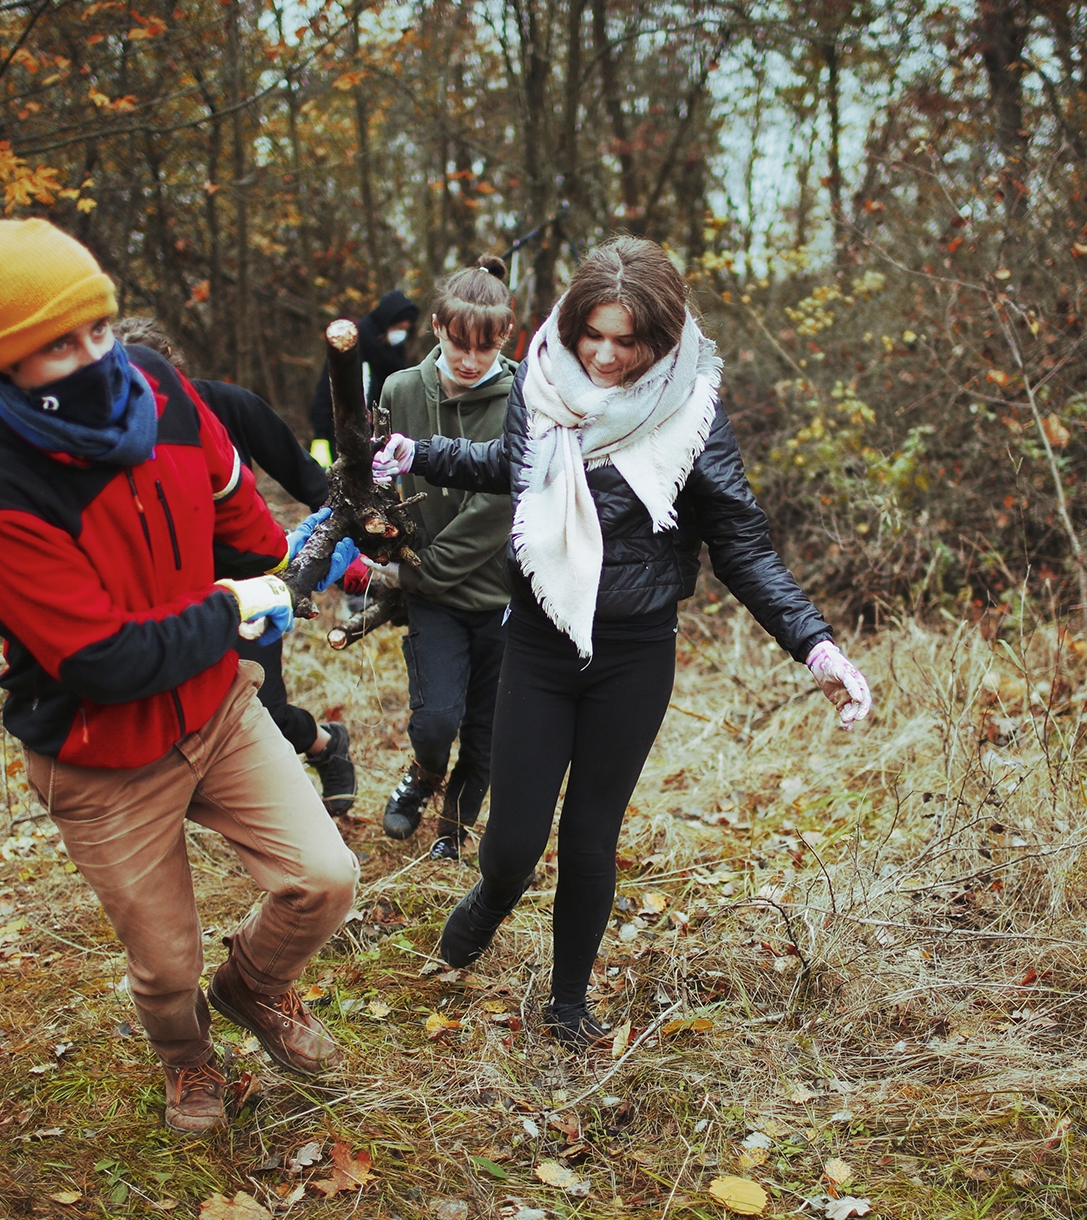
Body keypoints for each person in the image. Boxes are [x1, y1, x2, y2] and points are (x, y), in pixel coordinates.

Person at [373, 237, 874, 1046]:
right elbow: (514, 463)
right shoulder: (543, 383)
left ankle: (569, 1003)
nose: (604, 357)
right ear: (571, 325)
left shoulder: (692, 413)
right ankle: (492, 896)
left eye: (627, 341)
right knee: (512, 842)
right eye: (591, 335)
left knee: (590, 834)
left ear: (662, 339)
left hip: (634, 651)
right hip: (538, 637)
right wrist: (420, 452)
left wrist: (817, 647)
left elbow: (741, 545)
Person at [0, 218, 359, 1134]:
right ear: (5, 360)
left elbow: (237, 505)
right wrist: (229, 609)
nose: (94, 357)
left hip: (215, 707)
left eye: (98, 327)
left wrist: (260, 553)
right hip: (101, 753)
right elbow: (102, 659)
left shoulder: (161, 388)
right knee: (165, 965)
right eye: (59, 344)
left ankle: (256, 991)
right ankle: (188, 1063)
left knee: (325, 878)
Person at [111, 317, 359, 818]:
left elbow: (308, 478)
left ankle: (324, 748)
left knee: (259, 709)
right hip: (174, 601)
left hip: (250, 589)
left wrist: (345, 539)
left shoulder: (228, 407)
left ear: (173, 365)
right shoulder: (116, 430)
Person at [372, 258, 517, 857]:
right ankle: (424, 773)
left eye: (485, 348)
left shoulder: (524, 400)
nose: (470, 360)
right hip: (431, 596)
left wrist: (422, 567)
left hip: (504, 596)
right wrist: (380, 538)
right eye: (459, 343)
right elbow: (378, 481)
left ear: (504, 340)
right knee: (437, 722)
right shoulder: (399, 390)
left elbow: (499, 506)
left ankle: (451, 839)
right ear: (436, 328)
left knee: (485, 733)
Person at [307, 289, 420, 460]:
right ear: (385, 322)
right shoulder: (356, 346)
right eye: (398, 327)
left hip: (384, 440)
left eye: (405, 329)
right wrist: (321, 436)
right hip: (348, 436)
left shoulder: (394, 353)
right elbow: (327, 390)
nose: (401, 333)